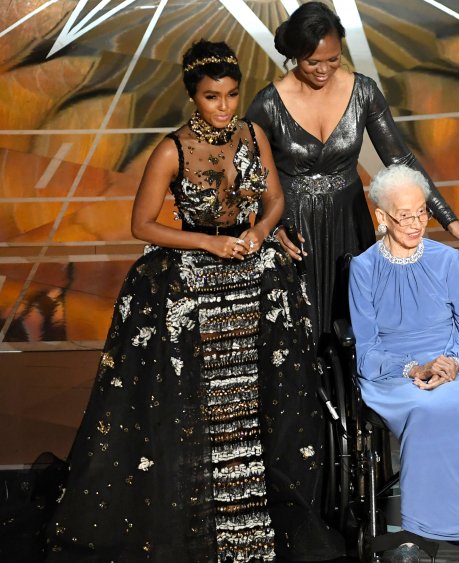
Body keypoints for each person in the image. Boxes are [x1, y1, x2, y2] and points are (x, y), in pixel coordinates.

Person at [45, 41, 342, 561]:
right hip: (192, 275)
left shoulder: (253, 134)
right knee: (196, 408)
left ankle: (257, 518)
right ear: (193, 97)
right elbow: (142, 224)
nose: (224, 106)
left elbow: (275, 200)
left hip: (251, 271)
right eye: (212, 97)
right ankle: (201, 522)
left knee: (261, 401)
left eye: (231, 95)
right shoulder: (171, 150)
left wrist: (261, 233)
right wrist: (209, 242)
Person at [246, 1, 459, 337]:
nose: (323, 70)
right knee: (301, 330)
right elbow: (251, 176)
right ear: (294, 54)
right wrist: (275, 226)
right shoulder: (268, 103)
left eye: (333, 59)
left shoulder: (363, 92)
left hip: (349, 221)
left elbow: (401, 160)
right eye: (311, 62)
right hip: (294, 226)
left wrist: (451, 221)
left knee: (357, 321)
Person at [347, 165, 459, 561]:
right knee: (427, 404)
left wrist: (452, 365)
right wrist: (414, 369)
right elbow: (367, 350)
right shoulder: (364, 268)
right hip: (394, 372)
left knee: (452, 400)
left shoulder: (446, 260)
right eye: (405, 215)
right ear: (382, 218)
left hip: (456, 366)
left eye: (422, 212)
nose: (416, 222)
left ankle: (427, 535)